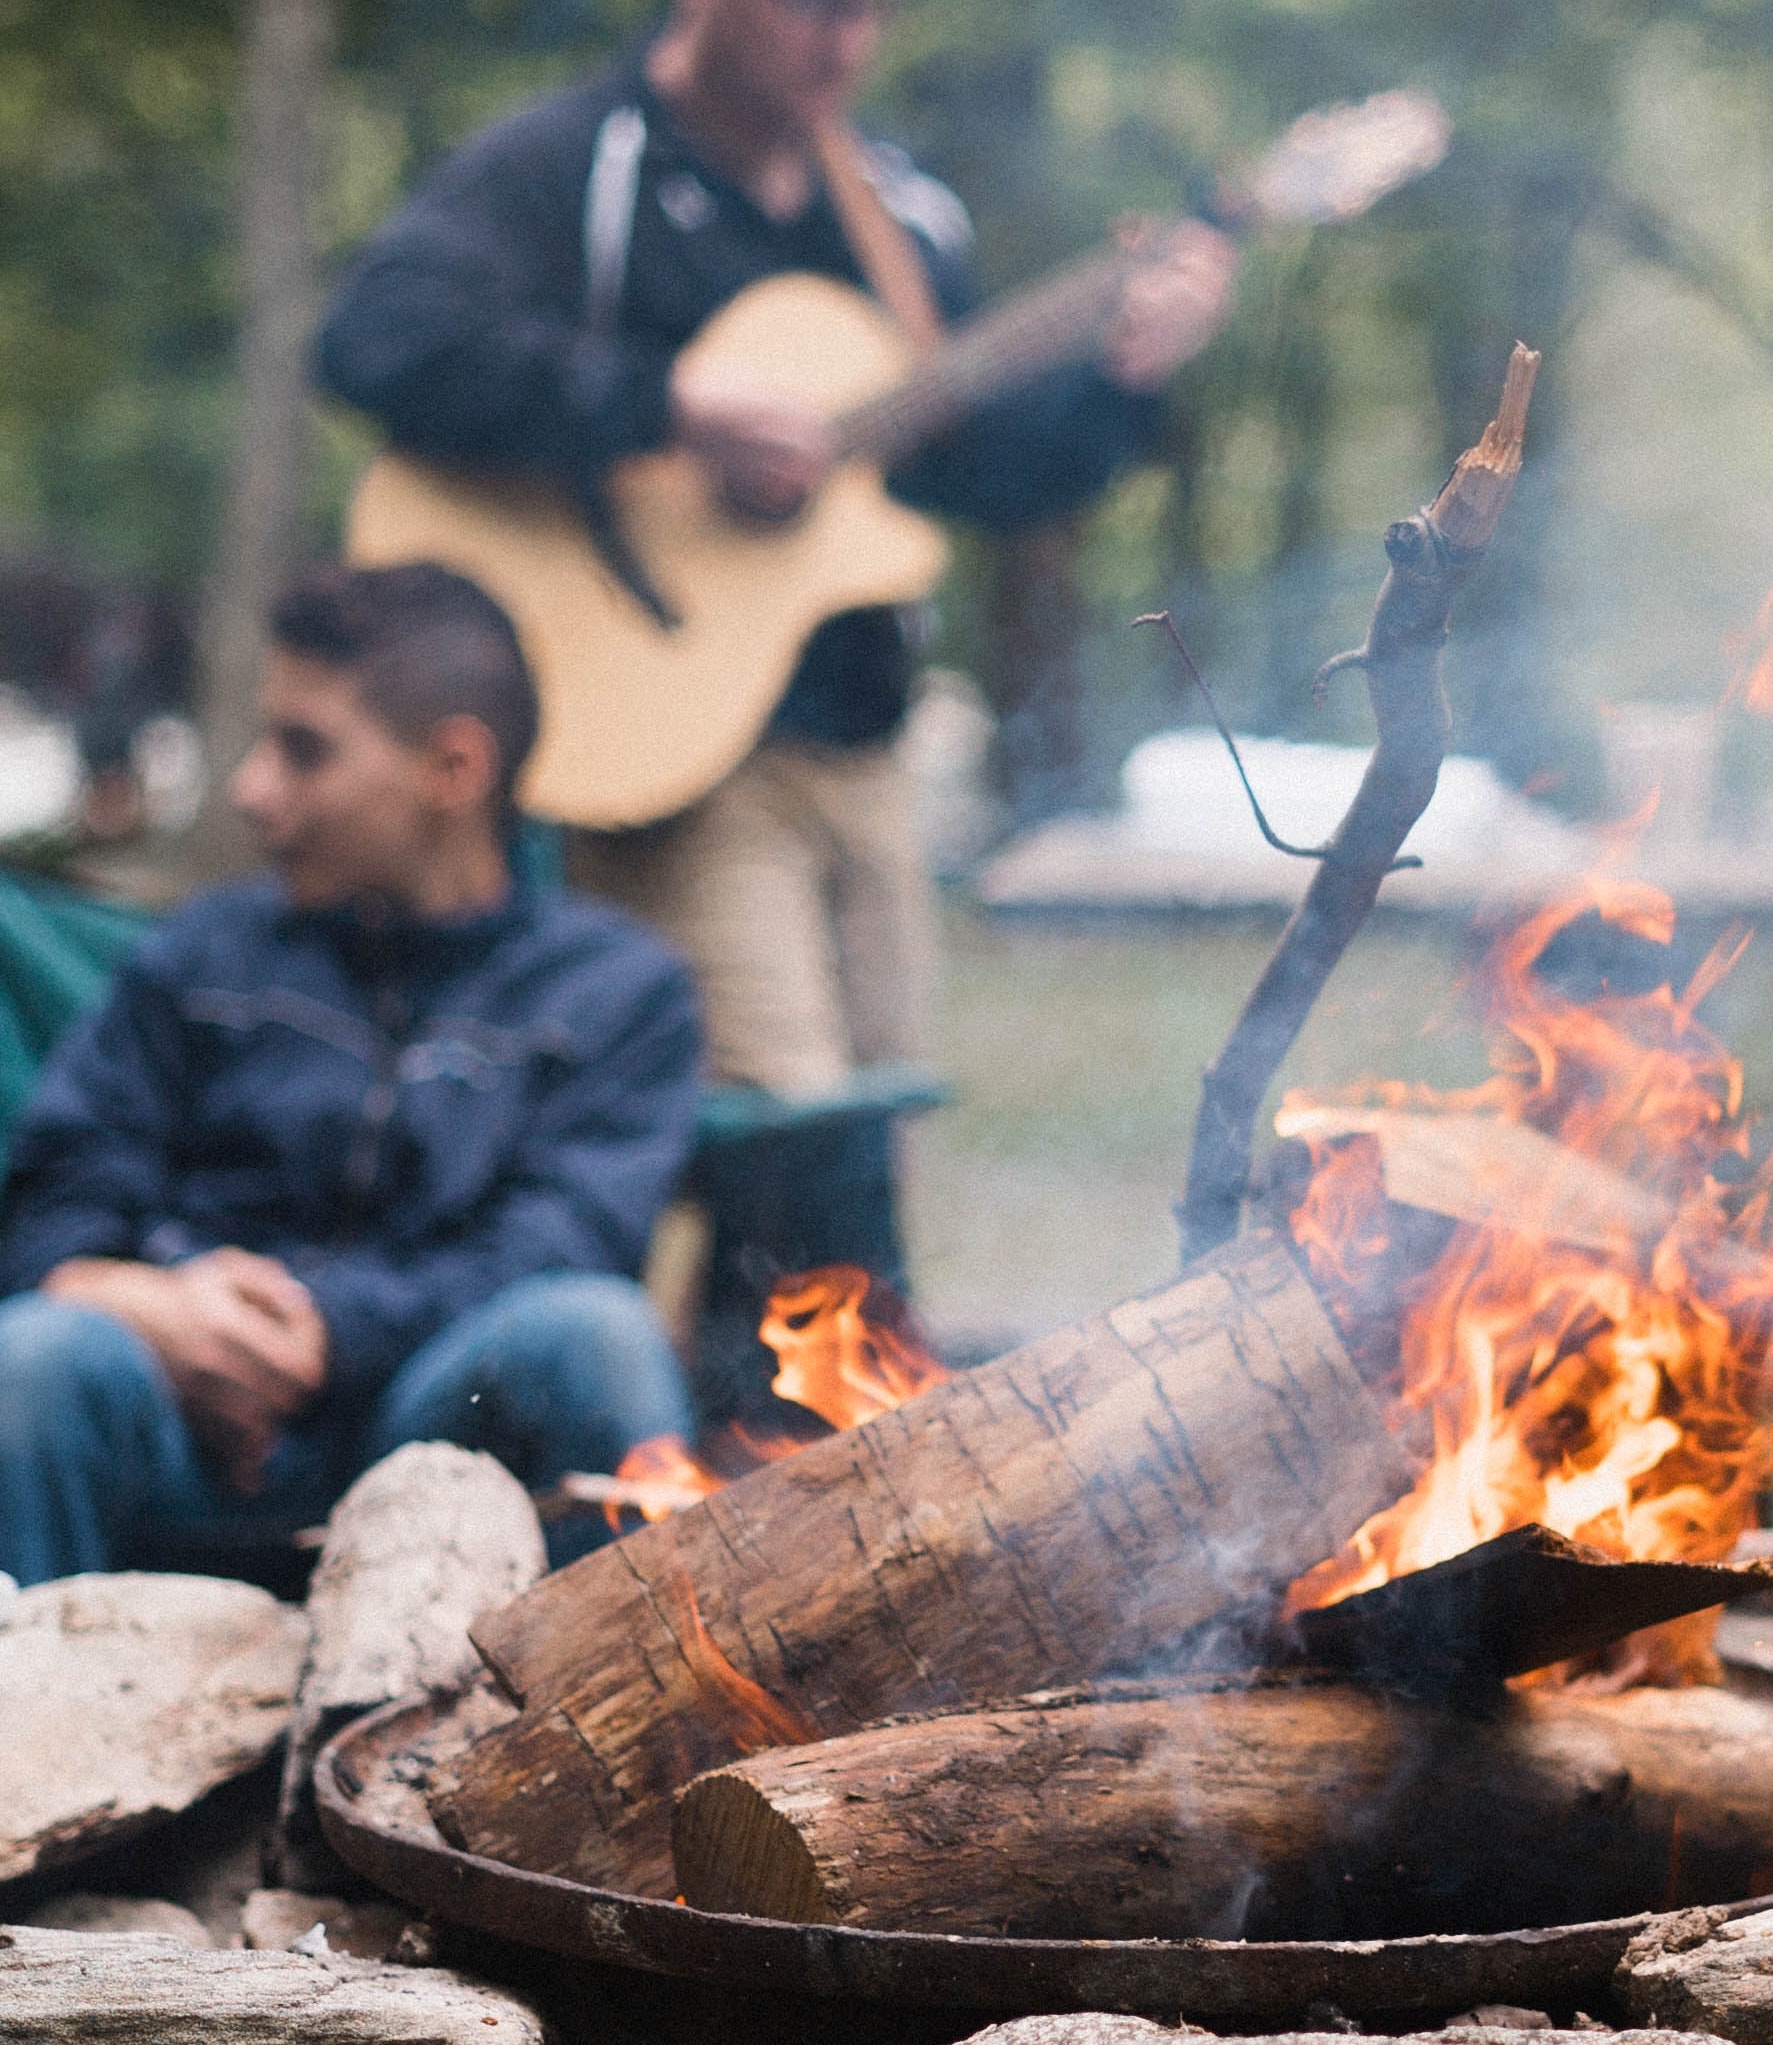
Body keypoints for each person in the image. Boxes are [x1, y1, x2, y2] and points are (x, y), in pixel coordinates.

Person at [317, 0, 1237, 1101]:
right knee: (782, 1122)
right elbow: (376, 339)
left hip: (863, 752)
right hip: (672, 750)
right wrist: (664, 406)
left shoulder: (901, 214)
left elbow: (978, 476)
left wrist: (1120, 384)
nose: (846, 44)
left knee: (879, 1121)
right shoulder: (578, 162)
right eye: (816, 9)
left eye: (870, 14)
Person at [0, 564, 702, 1585]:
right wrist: (144, 1302)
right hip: (181, 1423)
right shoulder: (203, 951)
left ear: (453, 767)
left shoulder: (618, 991)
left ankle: (638, 1736)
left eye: (304, 750)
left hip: (433, 1430)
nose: (251, 788)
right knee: (37, 1354)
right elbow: (58, 1189)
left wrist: (325, 1329)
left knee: (596, 1335)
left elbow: (561, 1242)